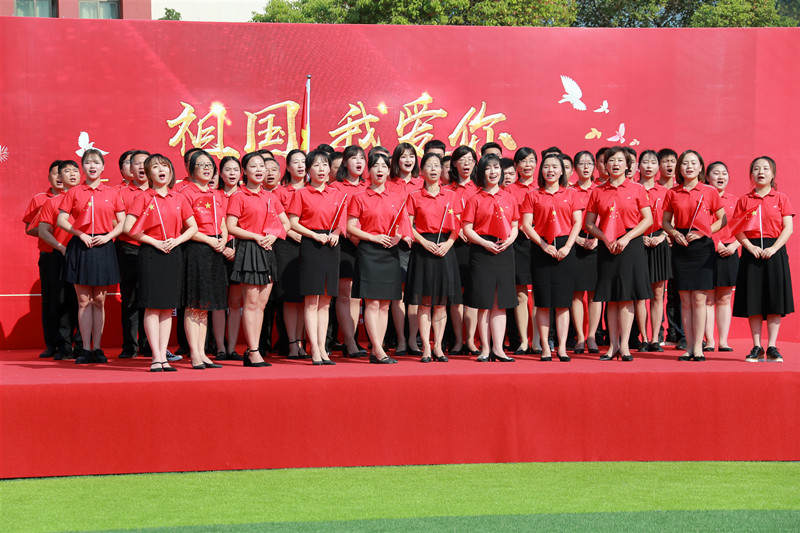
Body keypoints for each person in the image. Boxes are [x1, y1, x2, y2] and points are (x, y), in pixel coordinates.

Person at [124, 154, 197, 371]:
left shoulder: (179, 198)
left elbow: (192, 227)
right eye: (155, 167)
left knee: (167, 306)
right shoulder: (143, 197)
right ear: (148, 174)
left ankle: (164, 354)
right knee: (152, 306)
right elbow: (129, 228)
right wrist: (154, 242)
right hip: (150, 254)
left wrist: (177, 240)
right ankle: (156, 356)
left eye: (164, 166)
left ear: (171, 171)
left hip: (173, 253)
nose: (161, 170)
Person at [584, 146, 653, 361]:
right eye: (611, 160)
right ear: (605, 165)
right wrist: (605, 239)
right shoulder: (598, 191)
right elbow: (589, 224)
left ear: (628, 165)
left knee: (626, 297)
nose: (615, 164)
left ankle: (624, 346)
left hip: (630, 245)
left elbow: (648, 220)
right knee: (610, 297)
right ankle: (612, 345)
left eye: (620, 160)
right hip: (608, 245)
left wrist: (626, 238)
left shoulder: (637, 189)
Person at [56, 149, 125, 364]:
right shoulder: (74, 192)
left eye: (96, 163)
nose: (92, 166)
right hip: (81, 246)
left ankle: (98, 348)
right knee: (84, 300)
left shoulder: (112, 192)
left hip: (104, 247)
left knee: (99, 300)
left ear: (103, 167)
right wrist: (81, 234)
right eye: (88, 163)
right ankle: (85, 348)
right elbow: (61, 220)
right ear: (82, 167)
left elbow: (123, 222)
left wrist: (108, 237)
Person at [227, 152, 290, 367]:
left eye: (262, 166)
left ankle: (253, 350)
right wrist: (255, 236)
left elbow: (286, 223)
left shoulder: (271, 196)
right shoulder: (239, 196)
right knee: (251, 303)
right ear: (244, 171)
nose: (259, 170)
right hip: (249, 250)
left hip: (267, 250)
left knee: (261, 305)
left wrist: (274, 235)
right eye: (253, 166)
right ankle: (253, 350)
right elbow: (231, 226)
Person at [662, 150, 726, 361]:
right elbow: (665, 222)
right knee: (685, 300)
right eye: (685, 163)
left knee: (699, 299)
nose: (689, 167)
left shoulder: (709, 191)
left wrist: (703, 232)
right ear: (679, 169)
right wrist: (674, 234)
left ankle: (698, 347)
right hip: (681, 247)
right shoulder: (673, 192)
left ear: (700, 168)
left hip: (702, 248)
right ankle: (688, 346)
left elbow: (722, 220)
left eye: (693, 163)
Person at [347, 151, 409, 364]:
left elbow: (403, 225)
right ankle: (379, 350)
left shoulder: (397, 198)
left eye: (384, 166)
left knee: (385, 304)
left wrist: (397, 237)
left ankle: (377, 348)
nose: (380, 170)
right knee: (372, 303)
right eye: (375, 166)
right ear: (369, 171)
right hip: (369, 252)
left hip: (390, 252)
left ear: (389, 170)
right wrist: (373, 237)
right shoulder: (359, 197)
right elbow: (350, 227)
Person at [521, 153, 582, 362]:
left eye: (555, 167)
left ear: (562, 171)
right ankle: (545, 347)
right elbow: (526, 224)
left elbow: (577, 222)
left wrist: (567, 247)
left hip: (566, 248)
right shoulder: (533, 195)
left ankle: (562, 347)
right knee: (543, 302)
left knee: (563, 302)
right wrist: (543, 245)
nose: (551, 170)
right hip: (542, 249)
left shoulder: (571, 194)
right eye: (547, 166)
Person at [732, 156, 794, 362]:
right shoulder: (744, 200)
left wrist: (774, 248)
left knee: (775, 299)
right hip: (752, 252)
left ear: (773, 174)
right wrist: (750, 247)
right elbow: (737, 229)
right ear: (751, 174)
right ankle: (757, 346)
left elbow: (788, 228)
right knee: (754, 299)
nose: (761, 172)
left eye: (766, 169)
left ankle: (772, 346)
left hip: (775, 251)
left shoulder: (781, 198)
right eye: (756, 169)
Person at [461, 153, 519, 362]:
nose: (493, 172)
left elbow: (515, 226)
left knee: (500, 303)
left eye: (496, 167)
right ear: (481, 172)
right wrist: (484, 243)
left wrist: (509, 241)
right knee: (484, 302)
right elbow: (467, 229)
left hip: (504, 250)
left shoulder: (509, 197)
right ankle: (485, 349)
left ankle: (499, 348)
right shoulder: (475, 199)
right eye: (488, 168)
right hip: (482, 251)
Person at [288, 149, 343, 365]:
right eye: (316, 165)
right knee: (311, 301)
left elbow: (342, 221)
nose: (321, 169)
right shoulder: (301, 194)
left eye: (325, 165)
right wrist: (313, 235)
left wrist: (336, 233)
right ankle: (314, 350)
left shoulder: (337, 193)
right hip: (311, 246)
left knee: (326, 303)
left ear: (330, 169)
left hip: (331, 247)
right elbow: (293, 222)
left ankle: (323, 347)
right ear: (308, 170)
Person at [405, 152, 462, 362]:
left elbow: (457, 225)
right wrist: (423, 241)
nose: (433, 169)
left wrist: (448, 244)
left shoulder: (451, 196)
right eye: (428, 166)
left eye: (437, 165)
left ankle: (438, 346)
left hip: (445, 249)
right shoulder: (414, 196)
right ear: (421, 171)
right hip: (423, 249)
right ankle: (426, 348)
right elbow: (408, 225)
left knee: (441, 303)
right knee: (425, 303)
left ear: (442, 170)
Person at [180, 150, 229, 369]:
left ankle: (203, 352)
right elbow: (185, 228)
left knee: (205, 305)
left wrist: (223, 240)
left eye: (210, 165)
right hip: (196, 249)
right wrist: (210, 240)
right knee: (194, 304)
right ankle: (195, 353)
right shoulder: (185, 193)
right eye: (201, 165)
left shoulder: (216, 194)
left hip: (215, 250)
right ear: (192, 169)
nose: (207, 168)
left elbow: (223, 224)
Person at [34, 160, 81, 360]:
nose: (72, 174)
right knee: (60, 301)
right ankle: (63, 346)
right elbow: (42, 230)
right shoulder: (52, 202)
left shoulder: (88, 200)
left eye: (75, 170)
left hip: (83, 255)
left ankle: (82, 345)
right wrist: (60, 247)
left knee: (83, 301)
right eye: (67, 171)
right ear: (59, 177)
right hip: (59, 256)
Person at [328, 145, 368, 357]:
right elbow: (334, 217)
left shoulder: (369, 186)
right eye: (353, 158)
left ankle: (355, 340)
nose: (358, 162)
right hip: (345, 244)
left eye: (362, 158)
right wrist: (354, 237)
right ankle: (349, 342)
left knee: (359, 297)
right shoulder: (335, 188)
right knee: (346, 294)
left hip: (368, 245)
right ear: (344, 162)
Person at [23, 160, 64, 358]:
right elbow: (29, 229)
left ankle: (74, 343)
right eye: (55, 173)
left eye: (63, 173)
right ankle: (52, 343)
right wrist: (49, 231)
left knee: (73, 300)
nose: (59, 177)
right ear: (49, 177)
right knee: (50, 301)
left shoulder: (76, 198)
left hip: (71, 255)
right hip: (49, 256)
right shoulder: (40, 199)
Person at [387, 142, 423, 355]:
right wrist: (402, 233)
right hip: (397, 244)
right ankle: (400, 340)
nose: (408, 160)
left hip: (420, 244)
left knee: (416, 293)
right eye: (403, 156)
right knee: (398, 294)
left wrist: (415, 235)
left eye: (411, 156)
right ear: (396, 160)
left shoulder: (422, 184)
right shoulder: (389, 185)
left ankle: (413, 340)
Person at [273, 149, 308, 359]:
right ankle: (292, 343)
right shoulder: (280, 192)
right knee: (290, 297)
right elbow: (274, 220)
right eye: (296, 162)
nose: (301, 165)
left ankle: (301, 342)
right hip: (287, 246)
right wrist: (291, 233)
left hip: (310, 246)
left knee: (305, 297)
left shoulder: (313, 190)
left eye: (304, 162)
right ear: (288, 167)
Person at [116, 150, 150, 359]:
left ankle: (149, 344)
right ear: (130, 168)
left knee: (151, 298)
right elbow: (115, 221)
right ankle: (130, 345)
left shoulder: (160, 192)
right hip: (129, 248)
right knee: (130, 299)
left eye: (145, 163)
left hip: (154, 249)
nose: (141, 167)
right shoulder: (120, 193)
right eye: (136, 163)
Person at [447, 146, 480, 355]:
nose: (466, 163)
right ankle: (458, 341)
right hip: (455, 245)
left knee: (474, 294)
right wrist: (458, 230)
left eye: (470, 159)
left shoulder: (480, 188)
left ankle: (471, 340)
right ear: (454, 164)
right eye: (462, 159)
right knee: (455, 296)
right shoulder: (447, 190)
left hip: (477, 245)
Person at [637, 150, 671, 352]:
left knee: (658, 294)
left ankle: (655, 338)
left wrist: (663, 236)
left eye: (653, 163)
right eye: (645, 162)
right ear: (638, 166)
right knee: (641, 295)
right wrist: (638, 237)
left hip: (659, 241)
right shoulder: (633, 189)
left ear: (658, 167)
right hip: (637, 242)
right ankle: (643, 337)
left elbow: (672, 220)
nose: (649, 166)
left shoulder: (666, 192)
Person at [505, 148, 538, 355]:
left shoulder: (542, 188)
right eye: (523, 161)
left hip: (541, 243)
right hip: (518, 244)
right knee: (520, 294)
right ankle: (524, 340)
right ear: (516, 165)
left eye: (531, 160)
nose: (527, 165)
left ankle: (538, 340)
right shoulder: (509, 190)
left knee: (540, 293)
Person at [704, 161, 739, 353]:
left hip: (730, 251)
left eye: (724, 173)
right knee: (708, 299)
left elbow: (744, 226)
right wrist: (715, 242)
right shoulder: (702, 198)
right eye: (716, 173)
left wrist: (734, 245)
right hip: (707, 251)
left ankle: (723, 341)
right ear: (707, 177)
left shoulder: (736, 200)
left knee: (725, 298)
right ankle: (709, 340)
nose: (720, 177)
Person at [570, 151, 601, 354]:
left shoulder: (601, 190)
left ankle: (592, 336)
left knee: (594, 294)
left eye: (590, 163)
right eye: (581, 164)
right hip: (575, 242)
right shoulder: (568, 191)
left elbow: (608, 217)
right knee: (577, 293)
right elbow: (564, 219)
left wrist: (598, 239)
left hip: (598, 242)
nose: (586, 167)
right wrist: (577, 239)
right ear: (575, 168)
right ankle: (580, 336)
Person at [216, 155, 243, 360]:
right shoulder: (213, 196)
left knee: (235, 303)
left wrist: (238, 250)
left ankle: (232, 347)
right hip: (217, 251)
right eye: (228, 169)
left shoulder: (246, 195)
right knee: (218, 302)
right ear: (220, 173)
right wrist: (222, 247)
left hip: (241, 253)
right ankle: (220, 348)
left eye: (235, 169)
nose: (232, 173)